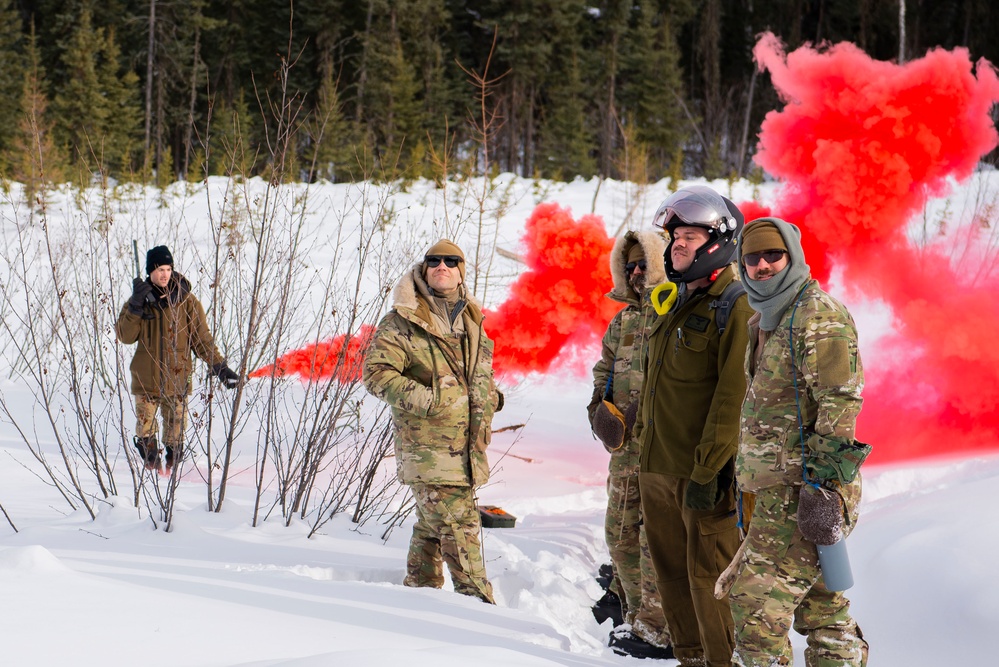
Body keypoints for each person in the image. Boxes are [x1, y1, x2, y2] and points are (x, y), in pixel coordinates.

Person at [728, 217, 870, 666]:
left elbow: (841, 402)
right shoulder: (767, 316)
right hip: (774, 490)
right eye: (753, 258)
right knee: (821, 609)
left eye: (774, 255)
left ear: (792, 255)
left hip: (803, 493)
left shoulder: (816, 314)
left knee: (753, 608)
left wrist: (823, 492)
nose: (764, 265)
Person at [635, 185, 753, 667]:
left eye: (689, 235)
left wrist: (709, 471)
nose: (677, 244)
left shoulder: (737, 304)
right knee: (672, 578)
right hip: (658, 467)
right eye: (675, 236)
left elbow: (733, 399)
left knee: (710, 581)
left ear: (718, 242)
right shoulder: (677, 300)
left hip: (704, 474)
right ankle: (690, 659)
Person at [362, 239, 502, 604]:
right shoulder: (402, 320)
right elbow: (376, 373)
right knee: (461, 528)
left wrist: (491, 396)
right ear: (424, 269)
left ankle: (419, 598)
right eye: (434, 260)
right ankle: (480, 610)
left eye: (451, 261)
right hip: (427, 450)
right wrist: (430, 400)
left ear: (461, 270)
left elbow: (476, 373)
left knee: (430, 527)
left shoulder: (471, 318)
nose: (442, 266)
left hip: (466, 450)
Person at [588, 232, 673, 659]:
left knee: (653, 542)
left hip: (665, 452)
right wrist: (598, 411)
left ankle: (655, 631)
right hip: (625, 454)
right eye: (631, 267)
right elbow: (603, 370)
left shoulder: (674, 309)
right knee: (619, 537)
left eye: (644, 264)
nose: (638, 273)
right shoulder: (621, 322)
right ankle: (636, 616)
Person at [116, 245, 240, 473]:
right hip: (146, 382)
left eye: (168, 268)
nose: (164, 274)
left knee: (176, 437)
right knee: (145, 435)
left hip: (177, 380)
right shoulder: (139, 300)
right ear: (149, 271)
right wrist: (135, 305)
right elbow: (125, 336)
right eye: (159, 269)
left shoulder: (187, 302)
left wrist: (220, 367)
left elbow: (202, 339)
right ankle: (153, 475)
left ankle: (173, 477)